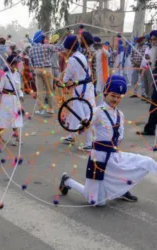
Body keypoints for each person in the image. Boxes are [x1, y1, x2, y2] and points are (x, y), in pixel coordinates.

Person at [59, 75, 157, 205]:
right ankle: (67, 181)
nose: (115, 99)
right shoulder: (97, 112)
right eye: (113, 95)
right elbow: (79, 129)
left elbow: (120, 134)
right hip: (98, 158)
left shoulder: (119, 114)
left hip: (114, 155)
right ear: (105, 93)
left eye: (119, 97)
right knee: (95, 201)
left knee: (145, 162)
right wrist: (83, 126)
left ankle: (121, 190)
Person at [60, 35, 95, 151]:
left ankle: (89, 143)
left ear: (69, 48)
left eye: (65, 48)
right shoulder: (81, 56)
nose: (64, 51)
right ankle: (71, 136)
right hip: (86, 87)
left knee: (85, 115)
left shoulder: (72, 60)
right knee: (76, 111)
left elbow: (66, 79)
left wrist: (64, 83)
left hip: (82, 89)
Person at [29, 30, 65, 115]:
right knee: (49, 90)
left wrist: (33, 71)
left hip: (37, 70)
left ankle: (40, 109)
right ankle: (50, 108)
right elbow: (59, 48)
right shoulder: (47, 46)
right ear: (41, 39)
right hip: (47, 69)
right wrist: (64, 39)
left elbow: (31, 63)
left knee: (40, 90)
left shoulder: (31, 49)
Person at [0, 54, 24, 146]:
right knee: (5, 119)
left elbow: (18, 88)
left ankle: (16, 137)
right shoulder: (5, 75)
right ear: (11, 64)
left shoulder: (17, 75)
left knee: (15, 119)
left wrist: (21, 95)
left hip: (15, 99)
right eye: (15, 64)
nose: (17, 66)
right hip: (6, 100)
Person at [94, 36, 111, 105]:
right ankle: (102, 103)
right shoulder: (97, 51)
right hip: (98, 73)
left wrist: (102, 48)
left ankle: (103, 103)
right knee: (99, 91)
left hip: (103, 73)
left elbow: (108, 55)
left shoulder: (103, 50)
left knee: (101, 90)